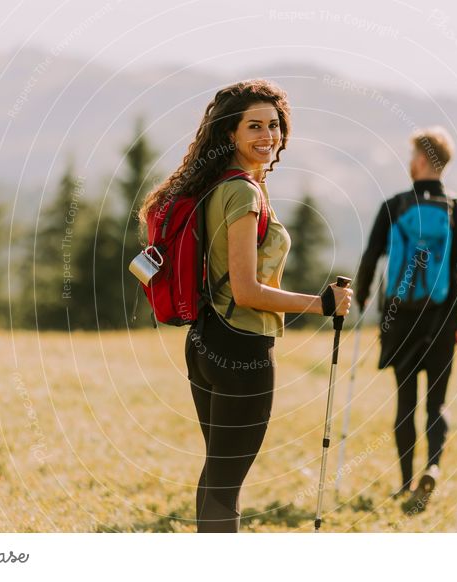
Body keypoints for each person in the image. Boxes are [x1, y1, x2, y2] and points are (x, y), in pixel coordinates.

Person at [139, 79, 352, 532]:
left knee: (218, 475)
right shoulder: (241, 194)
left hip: (205, 342)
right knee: (225, 482)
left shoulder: (217, 186)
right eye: (253, 125)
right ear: (229, 134)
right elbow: (246, 291)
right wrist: (324, 304)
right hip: (241, 349)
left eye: (274, 125)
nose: (267, 136)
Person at [354, 126, 457, 515]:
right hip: (441, 321)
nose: (410, 163)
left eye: (412, 156)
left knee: (405, 401)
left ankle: (406, 482)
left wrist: (361, 299)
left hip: (399, 319)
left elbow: (371, 257)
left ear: (423, 160)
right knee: (437, 403)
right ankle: (434, 466)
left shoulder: (394, 206)